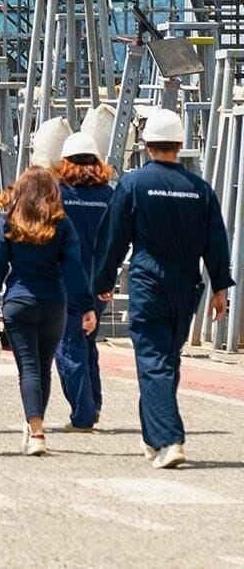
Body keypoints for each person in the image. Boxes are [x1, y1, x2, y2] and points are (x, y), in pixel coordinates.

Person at [93, 109, 233, 469]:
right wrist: (220, 287)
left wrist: (102, 282)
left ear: (145, 144)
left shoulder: (134, 184)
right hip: (186, 287)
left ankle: (170, 439)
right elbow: (216, 241)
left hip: (148, 283)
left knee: (153, 360)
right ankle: (152, 438)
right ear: (180, 145)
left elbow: (113, 238)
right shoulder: (200, 189)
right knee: (166, 361)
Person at [0, 166, 90, 457]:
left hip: (19, 304)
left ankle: (36, 429)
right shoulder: (61, 225)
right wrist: (87, 305)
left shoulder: (8, 223)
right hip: (54, 304)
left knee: (27, 368)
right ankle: (35, 425)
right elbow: (74, 270)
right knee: (43, 367)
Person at [55, 131, 116, 433]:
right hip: (100, 280)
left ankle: (83, 414)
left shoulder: (59, 193)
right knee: (88, 342)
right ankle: (95, 403)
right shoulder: (109, 194)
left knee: (68, 345)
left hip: (67, 280)